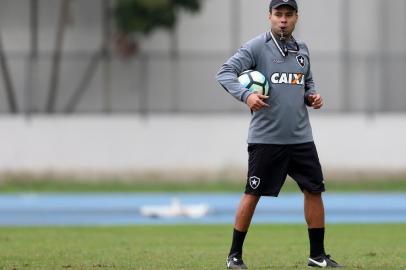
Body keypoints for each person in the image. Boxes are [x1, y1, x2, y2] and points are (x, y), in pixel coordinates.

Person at [216, 0, 344, 269]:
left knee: (314, 191)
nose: (283, 20)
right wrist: (247, 95)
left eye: (288, 14)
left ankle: (317, 255)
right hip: (266, 139)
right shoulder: (256, 47)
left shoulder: (302, 50)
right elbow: (225, 72)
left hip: (301, 139)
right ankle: (234, 255)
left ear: (296, 17)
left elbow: (306, 82)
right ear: (270, 16)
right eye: (278, 14)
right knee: (252, 193)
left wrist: (312, 96)